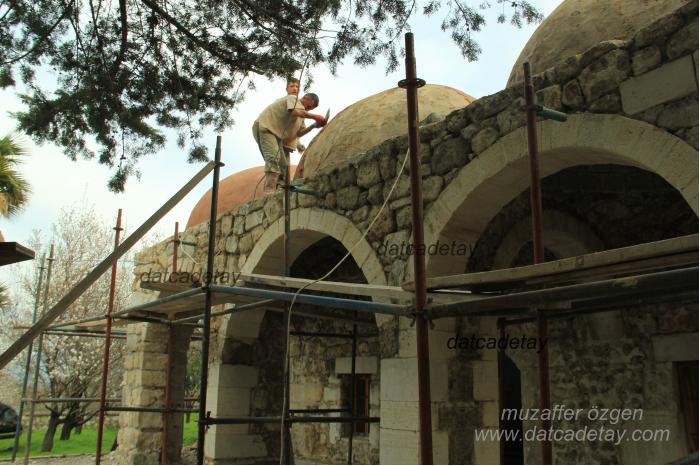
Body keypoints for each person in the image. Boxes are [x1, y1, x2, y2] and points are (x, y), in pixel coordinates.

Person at [253, 86, 326, 192]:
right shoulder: (293, 99)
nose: (310, 107)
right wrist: (315, 116)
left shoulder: (302, 116)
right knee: (273, 158)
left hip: (277, 136)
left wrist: (314, 125)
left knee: (284, 166)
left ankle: (281, 190)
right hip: (266, 128)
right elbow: (294, 111)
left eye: (312, 108)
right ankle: (269, 191)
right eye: (311, 104)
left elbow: (299, 133)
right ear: (305, 98)